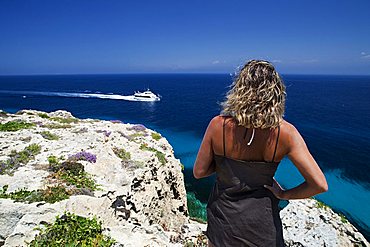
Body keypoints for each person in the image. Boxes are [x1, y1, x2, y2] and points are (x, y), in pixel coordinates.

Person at [193, 60, 328, 247]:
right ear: (276, 93)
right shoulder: (286, 133)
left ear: (239, 90)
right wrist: (283, 194)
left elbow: (199, 172)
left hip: (223, 222)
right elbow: (319, 185)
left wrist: (225, 165)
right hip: (262, 228)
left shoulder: (218, 125)